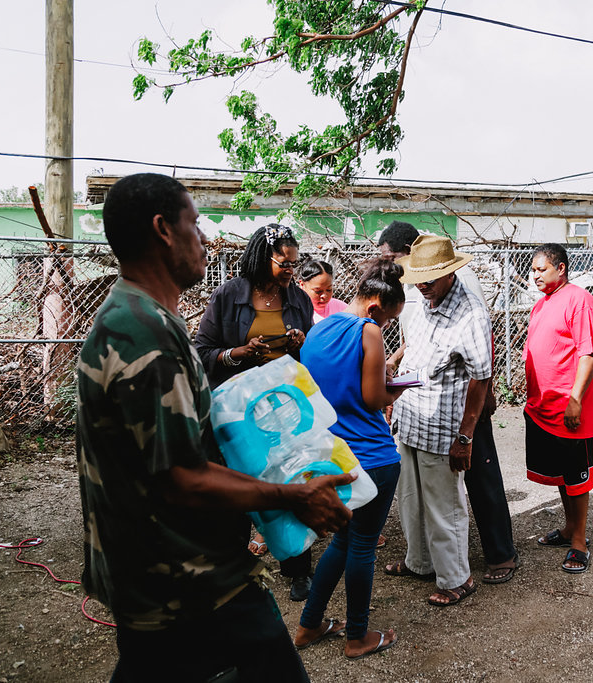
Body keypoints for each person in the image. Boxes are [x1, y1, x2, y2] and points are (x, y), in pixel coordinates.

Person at [77, 173, 353, 681]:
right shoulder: (144, 333)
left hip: (166, 572)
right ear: (163, 230)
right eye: (195, 224)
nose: (204, 238)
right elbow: (181, 477)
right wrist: (292, 496)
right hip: (186, 577)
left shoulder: (141, 318)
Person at [380, 223, 519, 584]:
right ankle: (420, 562)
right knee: (411, 501)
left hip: (446, 423)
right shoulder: (425, 299)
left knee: (446, 506)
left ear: (449, 271)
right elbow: (417, 349)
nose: (422, 284)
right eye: (418, 278)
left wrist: (465, 436)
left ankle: (457, 578)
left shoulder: (469, 311)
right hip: (413, 419)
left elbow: (481, 374)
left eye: (430, 278)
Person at [194, 223, 316, 601]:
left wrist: (300, 342)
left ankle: (297, 569)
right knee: (236, 487)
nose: (292, 271)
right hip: (236, 408)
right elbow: (202, 349)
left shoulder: (298, 299)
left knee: (288, 484)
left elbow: (307, 357)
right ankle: (234, 566)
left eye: (295, 264)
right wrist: (236, 355)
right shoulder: (228, 295)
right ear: (264, 257)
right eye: (285, 264)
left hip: (282, 407)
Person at [294, 259, 407, 658]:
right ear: (376, 307)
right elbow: (374, 399)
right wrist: (394, 391)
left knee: (342, 543)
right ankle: (357, 636)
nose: (388, 327)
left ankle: (309, 626)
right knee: (361, 547)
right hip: (373, 456)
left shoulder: (319, 328)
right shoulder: (368, 330)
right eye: (390, 319)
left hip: (334, 454)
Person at [525, 243, 593, 574]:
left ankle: (580, 542)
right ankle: (569, 527)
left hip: (571, 409)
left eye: (541, 269)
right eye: (532, 270)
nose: (535, 275)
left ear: (561, 268)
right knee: (560, 474)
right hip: (543, 407)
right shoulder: (542, 305)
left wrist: (574, 400)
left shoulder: (580, 302)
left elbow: (588, 355)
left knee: (577, 477)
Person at [298, 256, 348, 324]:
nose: (324, 296)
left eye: (329, 290)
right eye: (318, 291)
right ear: (302, 285)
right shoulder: (297, 311)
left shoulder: (341, 308)